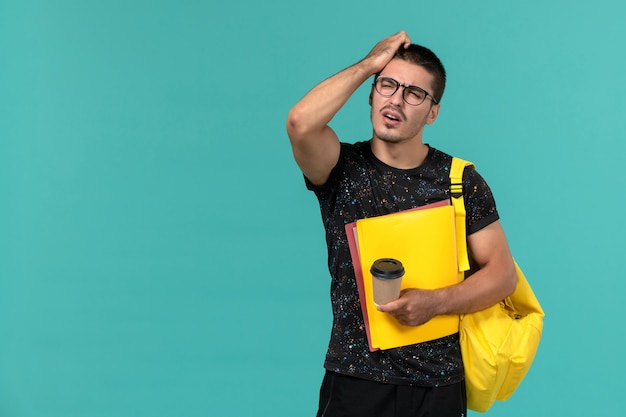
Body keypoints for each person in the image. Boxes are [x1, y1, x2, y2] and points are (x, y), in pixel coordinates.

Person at [286, 31, 517, 417]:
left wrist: (436, 302)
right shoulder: (342, 168)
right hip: (356, 382)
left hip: (439, 386)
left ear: (432, 112)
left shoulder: (460, 180)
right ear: (372, 93)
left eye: (414, 93)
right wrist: (369, 64)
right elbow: (300, 123)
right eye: (388, 85)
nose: (396, 99)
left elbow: (502, 276)